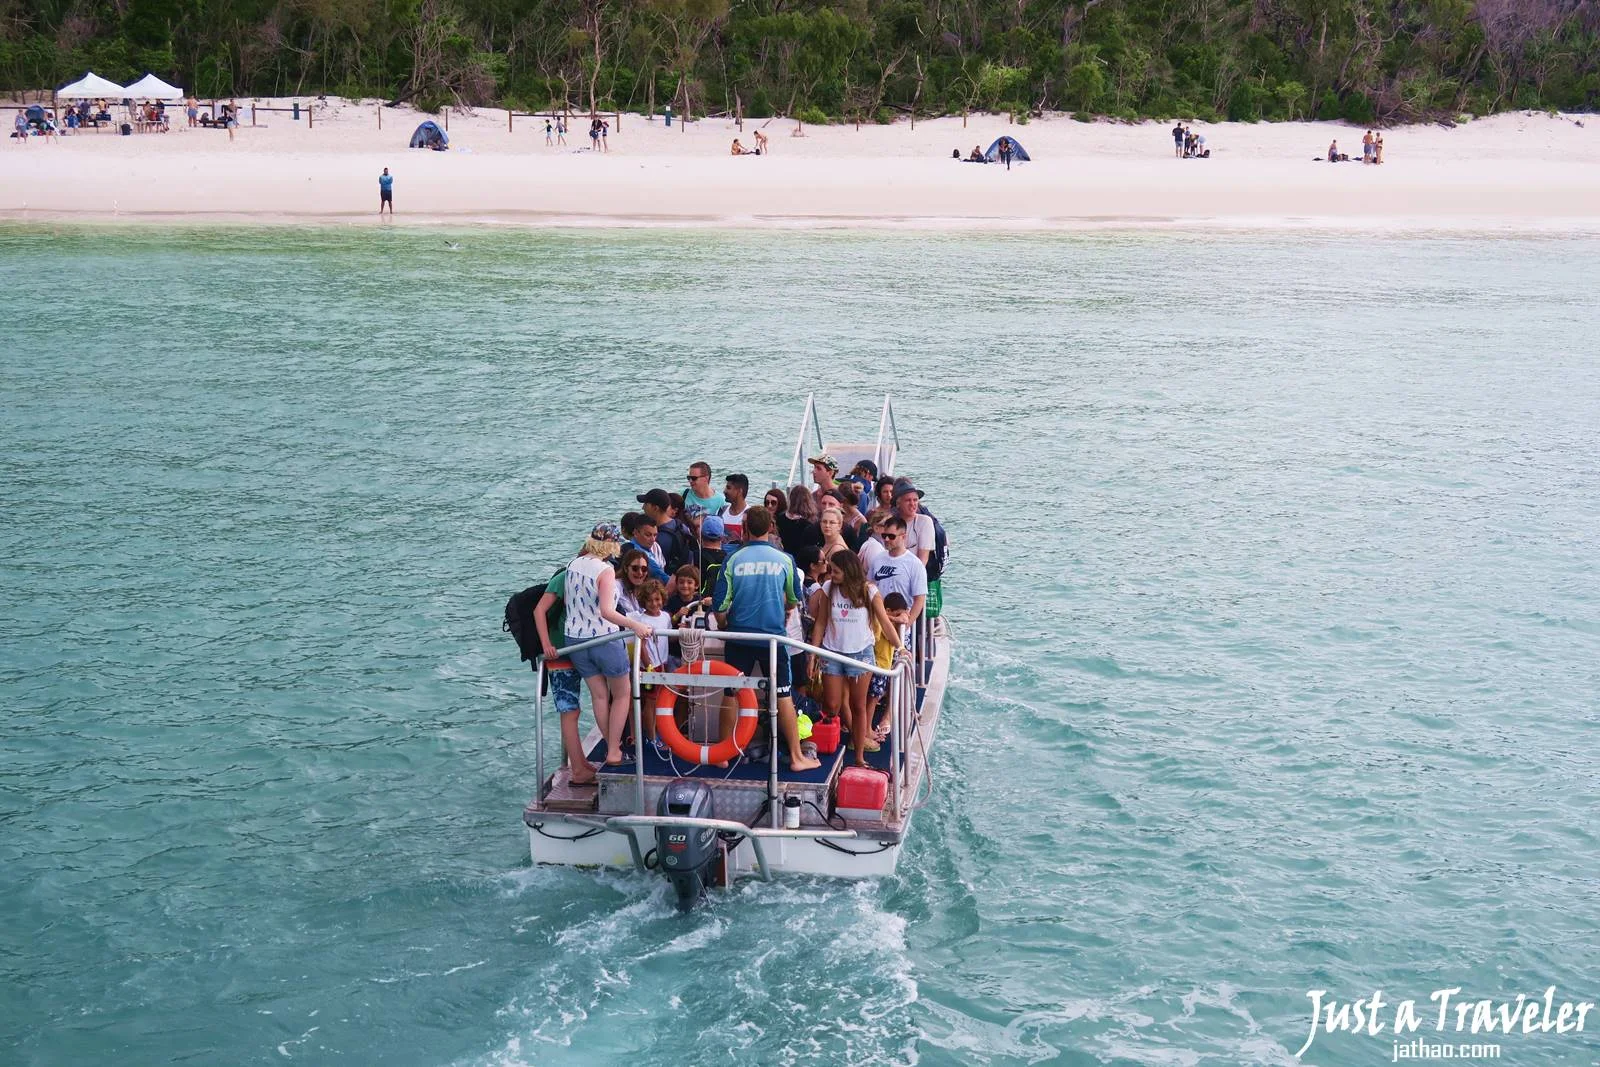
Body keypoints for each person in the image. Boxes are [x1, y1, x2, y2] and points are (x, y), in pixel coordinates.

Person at [712, 506, 820, 771]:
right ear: (771, 527)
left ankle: (722, 753)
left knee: (731, 693)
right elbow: (794, 599)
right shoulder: (784, 559)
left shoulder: (733, 559)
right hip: (772, 639)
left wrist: (726, 626)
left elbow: (719, 605)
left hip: (739, 636)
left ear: (745, 528)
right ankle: (796, 757)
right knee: (783, 695)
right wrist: (781, 612)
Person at [545, 521, 654, 769]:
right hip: (602, 639)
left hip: (575, 640)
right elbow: (606, 611)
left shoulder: (573, 564)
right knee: (622, 693)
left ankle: (610, 745)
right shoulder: (604, 571)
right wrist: (636, 626)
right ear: (613, 545)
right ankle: (614, 750)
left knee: (599, 696)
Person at [809, 549, 902, 768]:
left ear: (849, 571)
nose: (832, 574)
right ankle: (848, 736)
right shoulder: (828, 588)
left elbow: (885, 622)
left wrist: (900, 647)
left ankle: (859, 755)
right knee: (831, 704)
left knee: (858, 705)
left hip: (860, 653)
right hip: (832, 652)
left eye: (836, 571)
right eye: (831, 570)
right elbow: (820, 622)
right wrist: (813, 654)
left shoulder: (869, 591)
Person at [533, 561, 595, 786]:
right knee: (569, 710)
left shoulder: (595, 573)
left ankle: (581, 763)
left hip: (578, 649)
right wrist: (546, 644)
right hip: (560, 652)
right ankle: (577, 769)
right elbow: (539, 610)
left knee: (574, 709)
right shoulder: (565, 576)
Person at [866, 514, 928, 623]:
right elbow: (870, 586)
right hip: (879, 620)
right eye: (884, 535)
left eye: (891, 536)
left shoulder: (915, 564)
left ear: (903, 537)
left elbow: (919, 599)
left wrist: (908, 624)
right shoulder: (877, 559)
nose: (886, 539)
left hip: (901, 621)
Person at [637, 488, 689, 572]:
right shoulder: (681, 526)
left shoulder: (656, 539)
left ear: (655, 508)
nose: (643, 508)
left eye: (646, 504)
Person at [892, 481, 936, 567]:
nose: (912, 504)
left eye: (915, 500)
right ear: (898, 504)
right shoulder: (892, 522)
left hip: (915, 571)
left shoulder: (925, 522)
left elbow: (923, 559)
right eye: (908, 500)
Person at [620, 512, 671, 582]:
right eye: (648, 535)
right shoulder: (639, 554)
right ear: (635, 533)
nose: (653, 539)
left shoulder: (628, 547)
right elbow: (663, 578)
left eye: (655, 535)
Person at [696, 515, 730, 595]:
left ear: (701, 535)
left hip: (698, 604)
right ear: (722, 537)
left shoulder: (694, 556)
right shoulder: (728, 559)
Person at [615, 546, 652, 616]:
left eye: (644, 569)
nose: (640, 573)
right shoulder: (616, 586)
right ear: (626, 568)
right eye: (635, 568)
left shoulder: (646, 589)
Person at [719, 473, 750, 544]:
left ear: (739, 491)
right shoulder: (722, 511)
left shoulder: (750, 515)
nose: (724, 491)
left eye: (728, 488)